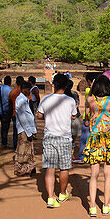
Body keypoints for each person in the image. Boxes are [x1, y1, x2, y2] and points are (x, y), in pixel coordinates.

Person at [37, 72, 78, 208]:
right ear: (66, 86)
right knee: (64, 167)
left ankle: (50, 197)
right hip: (65, 138)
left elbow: (39, 115)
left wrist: (48, 116)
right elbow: (74, 116)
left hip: (50, 136)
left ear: (53, 84)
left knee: (50, 168)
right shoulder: (70, 101)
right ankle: (62, 193)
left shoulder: (46, 99)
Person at [83, 74, 110, 216]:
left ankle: (92, 206)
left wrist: (94, 86)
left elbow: (88, 114)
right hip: (109, 140)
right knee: (108, 174)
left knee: (93, 175)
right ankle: (106, 205)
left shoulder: (90, 100)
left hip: (95, 139)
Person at [14, 83, 37, 176]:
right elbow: (22, 118)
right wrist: (28, 131)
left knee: (28, 149)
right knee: (23, 150)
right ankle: (21, 169)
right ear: (24, 89)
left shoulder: (24, 99)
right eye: (28, 90)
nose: (29, 92)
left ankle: (29, 168)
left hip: (27, 129)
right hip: (23, 129)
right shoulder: (20, 100)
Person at [0, 75, 14, 149]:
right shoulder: (10, 90)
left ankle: (4, 142)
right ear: (10, 82)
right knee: (6, 127)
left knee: (3, 127)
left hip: (1, 110)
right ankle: (4, 143)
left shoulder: (0, 88)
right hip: (7, 111)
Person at [8, 75, 25, 151]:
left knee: (16, 132)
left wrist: (10, 114)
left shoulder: (12, 92)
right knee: (24, 132)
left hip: (15, 114)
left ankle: (15, 147)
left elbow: (10, 105)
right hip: (24, 114)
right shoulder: (25, 91)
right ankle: (23, 148)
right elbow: (30, 102)